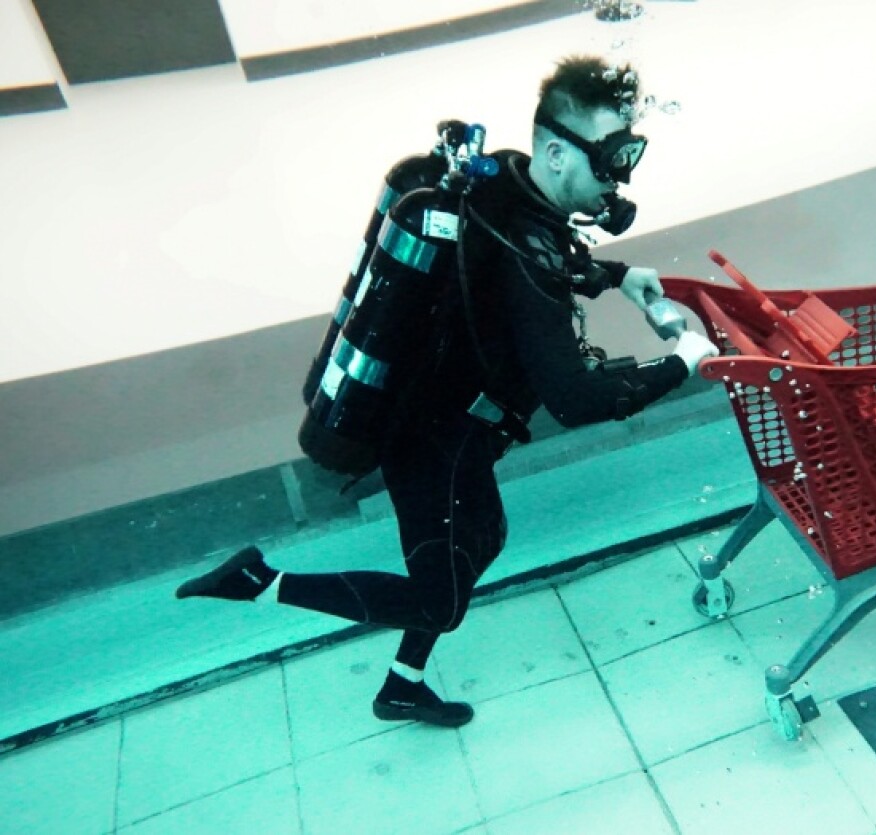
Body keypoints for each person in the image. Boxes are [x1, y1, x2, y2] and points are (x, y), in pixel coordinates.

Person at [176, 55, 719, 728]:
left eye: (629, 152)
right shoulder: (526, 239)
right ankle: (258, 584)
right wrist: (682, 363)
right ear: (555, 151)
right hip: (432, 440)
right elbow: (575, 398)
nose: (621, 175)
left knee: (483, 536)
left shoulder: (513, 185)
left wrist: (614, 274)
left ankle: (402, 686)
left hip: (452, 427)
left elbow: (536, 259)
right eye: (610, 157)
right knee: (441, 600)